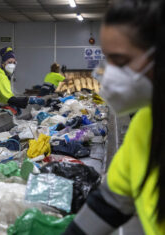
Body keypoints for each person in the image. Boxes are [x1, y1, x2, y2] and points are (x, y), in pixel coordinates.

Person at [63, 0, 165, 234]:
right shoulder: (145, 124)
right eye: (107, 60)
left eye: (120, 61)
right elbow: (110, 201)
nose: (108, 75)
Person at [0, 47, 45, 115]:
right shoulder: (0, 77)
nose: (12, 65)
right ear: (3, 63)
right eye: (9, 62)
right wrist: (29, 100)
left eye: (14, 62)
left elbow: (7, 97)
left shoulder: (4, 76)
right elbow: (10, 99)